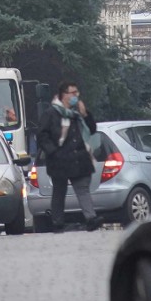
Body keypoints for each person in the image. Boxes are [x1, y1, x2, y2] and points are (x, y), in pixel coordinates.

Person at [36, 81, 101, 233]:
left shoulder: (77, 113)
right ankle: (57, 222)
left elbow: (91, 130)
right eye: (73, 93)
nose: (76, 96)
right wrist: (53, 152)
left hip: (79, 158)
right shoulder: (51, 113)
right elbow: (42, 136)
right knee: (59, 191)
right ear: (64, 95)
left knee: (82, 188)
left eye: (77, 93)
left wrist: (85, 114)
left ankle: (91, 218)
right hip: (60, 160)